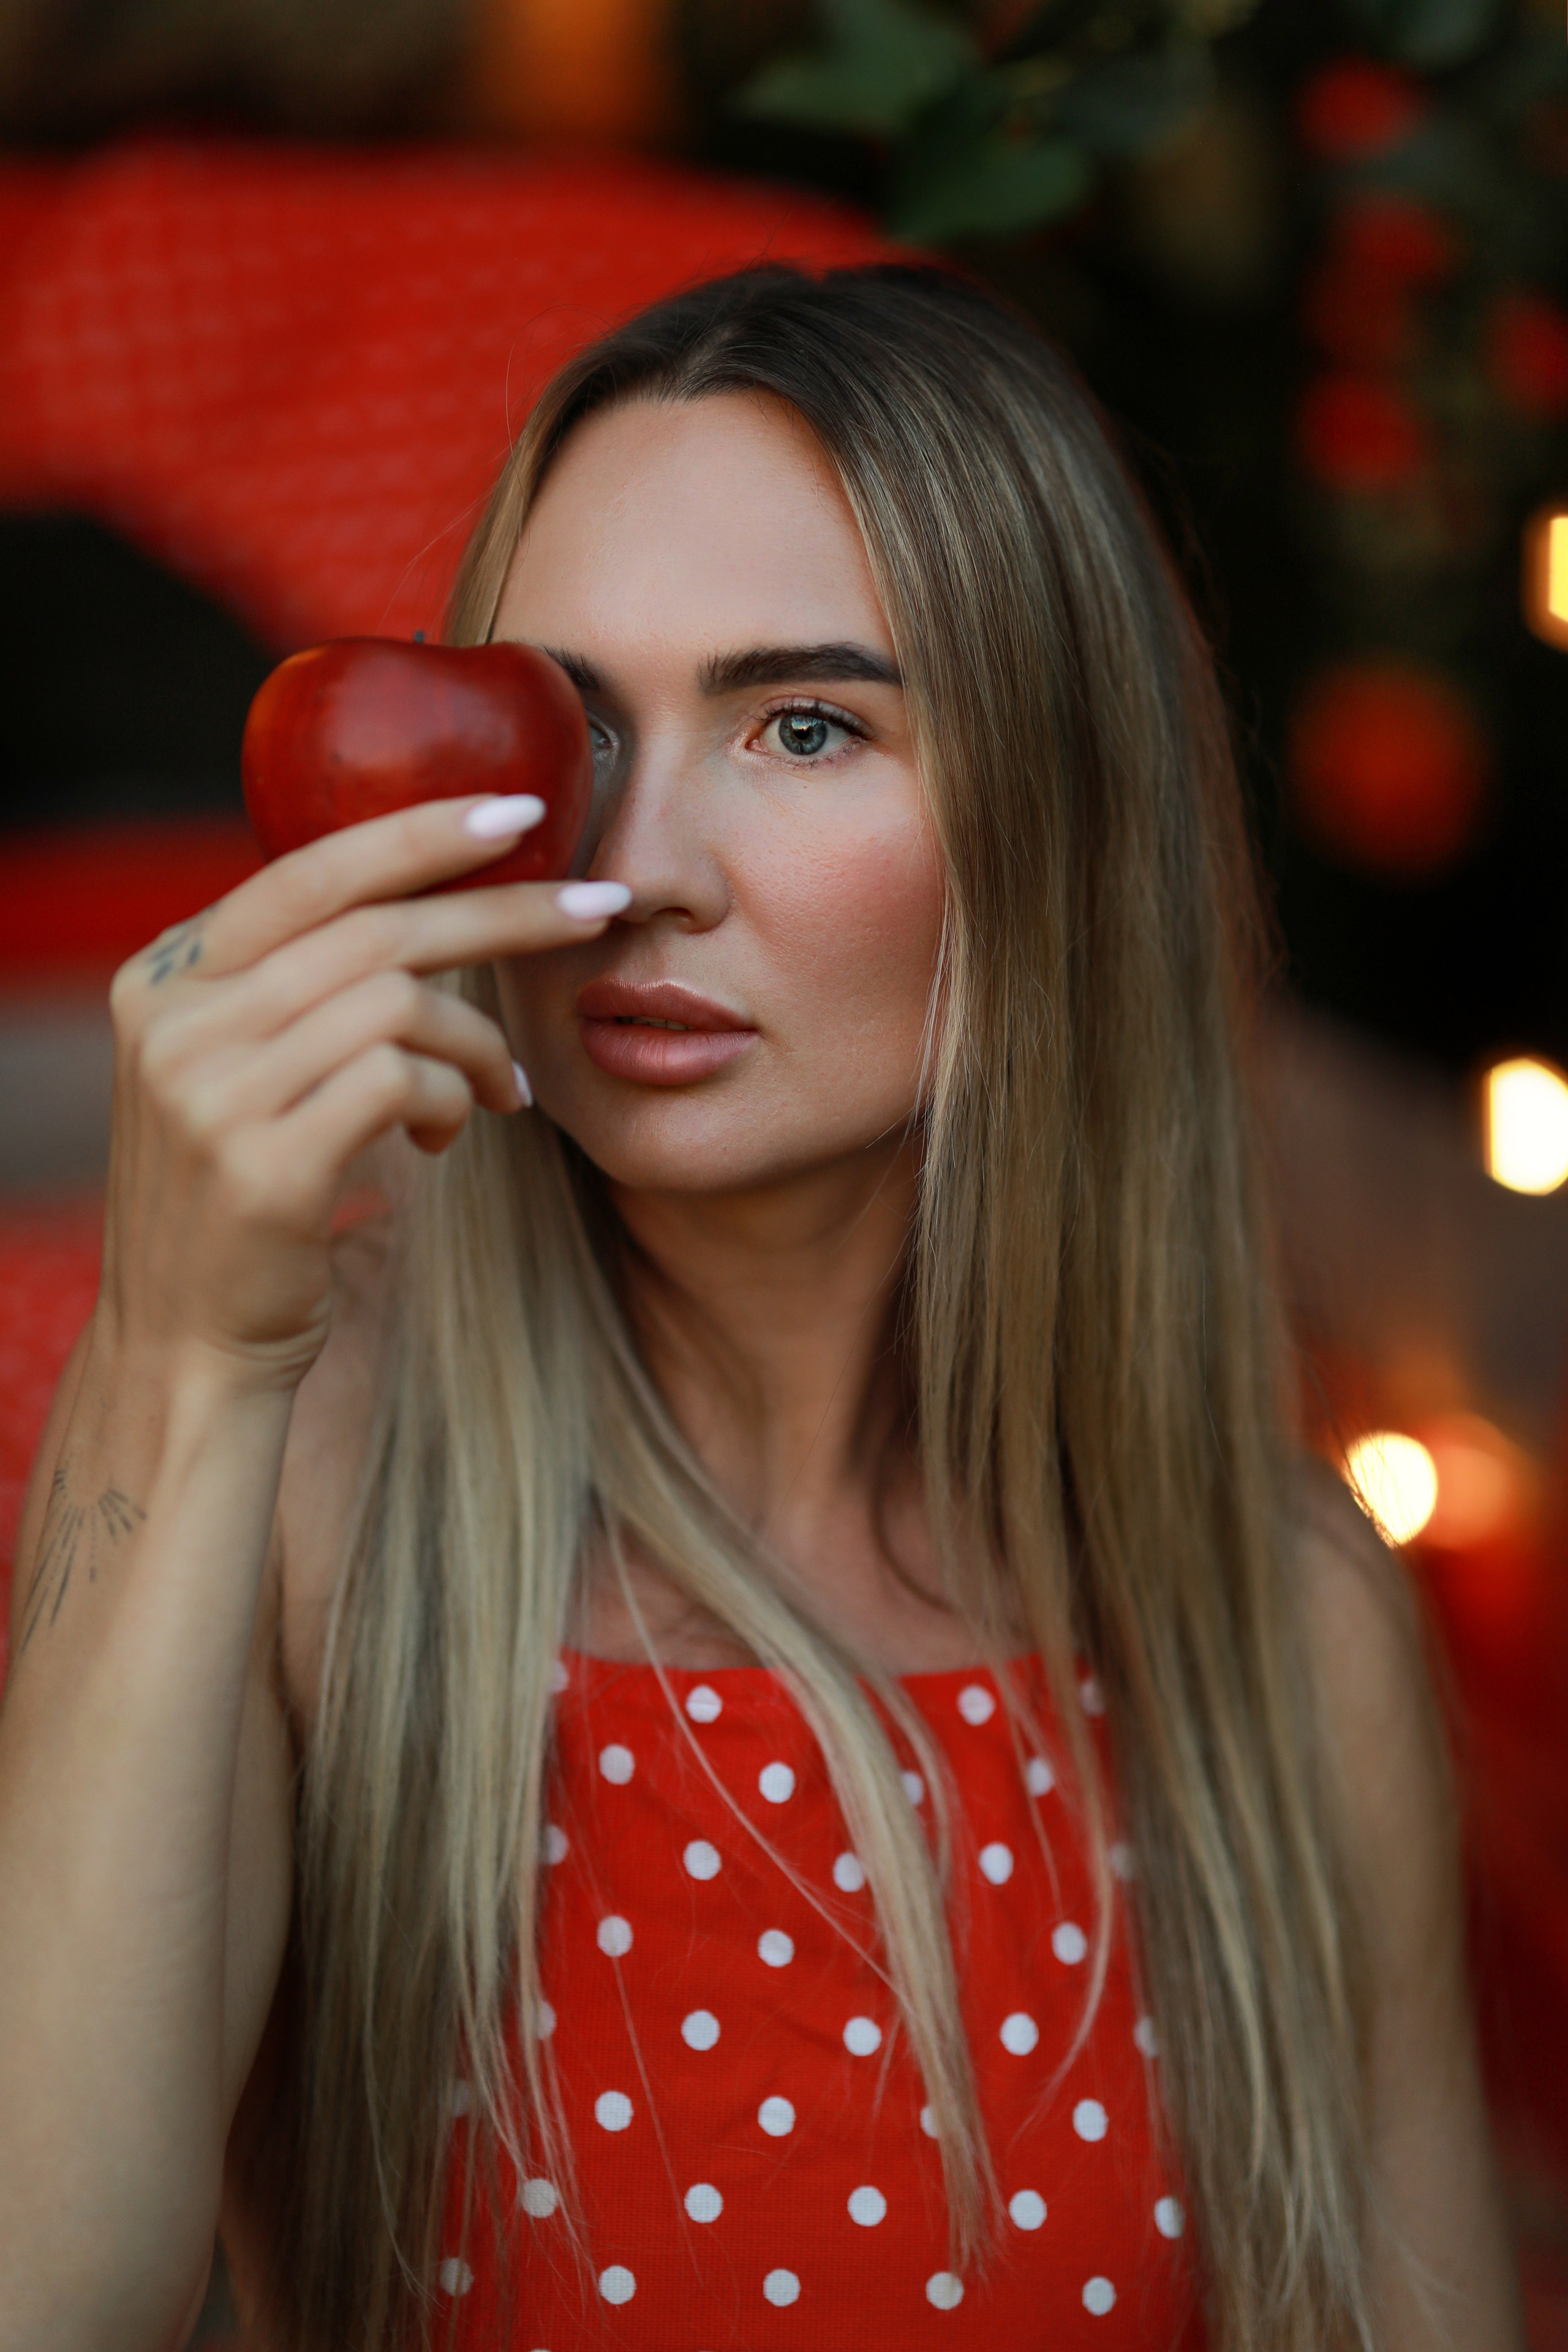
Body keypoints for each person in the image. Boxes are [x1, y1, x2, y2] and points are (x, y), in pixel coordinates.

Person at [0, 265, 1520, 2352]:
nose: (642, 866)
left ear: (1052, 822)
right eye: (576, 726)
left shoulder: (1276, 1629)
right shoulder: (302, 1479)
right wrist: (185, 1357)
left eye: (805, 724)